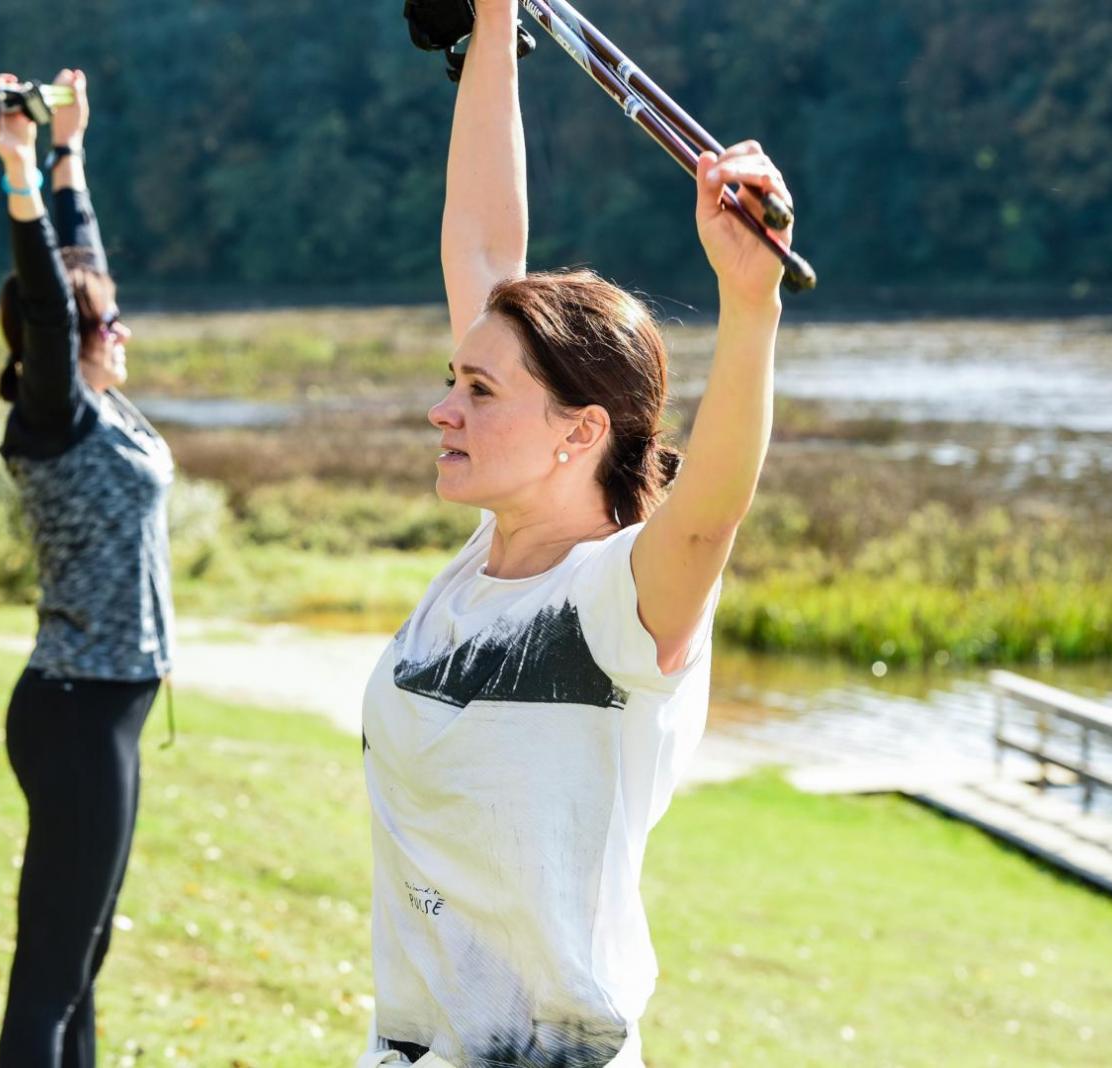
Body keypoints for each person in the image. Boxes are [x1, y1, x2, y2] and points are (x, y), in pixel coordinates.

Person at [358, 4, 796, 1066]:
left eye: (476, 390)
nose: (443, 410)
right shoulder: (481, 568)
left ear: (578, 433)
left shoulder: (618, 605)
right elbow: (480, 243)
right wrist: (499, 20)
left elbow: (718, 504)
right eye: (451, 383)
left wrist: (751, 302)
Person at [0, 69, 175, 1068]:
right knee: (52, 970)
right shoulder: (54, 417)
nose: (121, 329)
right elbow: (60, 305)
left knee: (84, 953)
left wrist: (67, 152)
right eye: (107, 326)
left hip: (111, 709)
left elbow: (81, 271)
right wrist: (17, 177)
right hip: (74, 711)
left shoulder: (106, 404)